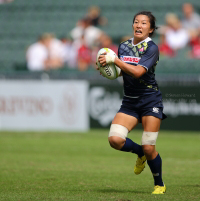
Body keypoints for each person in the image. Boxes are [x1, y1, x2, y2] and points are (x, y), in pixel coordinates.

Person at [97, 11, 166, 194]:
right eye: (136, 22)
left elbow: (137, 72)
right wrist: (107, 69)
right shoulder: (124, 46)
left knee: (149, 146)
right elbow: (122, 71)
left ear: (150, 29)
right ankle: (139, 153)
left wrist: (116, 61)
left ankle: (159, 184)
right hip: (130, 101)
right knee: (115, 140)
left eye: (144, 23)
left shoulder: (151, 48)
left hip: (150, 100)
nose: (139, 25)